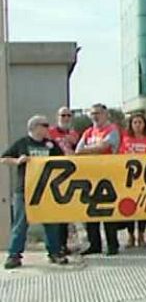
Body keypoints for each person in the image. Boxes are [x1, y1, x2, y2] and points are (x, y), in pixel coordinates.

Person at [2, 115, 69, 269]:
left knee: (51, 222)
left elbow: (62, 161)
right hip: (25, 190)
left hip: (46, 190)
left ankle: (54, 252)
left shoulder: (50, 145)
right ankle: (14, 255)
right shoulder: (22, 143)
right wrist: (18, 161)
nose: (47, 128)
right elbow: (4, 158)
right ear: (35, 127)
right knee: (20, 223)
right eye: (44, 125)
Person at [75, 103, 122, 256]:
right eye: (93, 113)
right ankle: (94, 244)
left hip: (108, 174)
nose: (95, 116)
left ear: (105, 114)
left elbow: (104, 146)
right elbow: (77, 150)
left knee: (108, 211)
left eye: (98, 113)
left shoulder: (112, 129)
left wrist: (87, 150)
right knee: (91, 211)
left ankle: (112, 245)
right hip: (90, 175)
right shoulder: (88, 132)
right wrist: (91, 149)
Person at [119, 113, 146, 248]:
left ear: (144, 124)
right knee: (129, 208)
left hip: (145, 180)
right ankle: (130, 236)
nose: (137, 125)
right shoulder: (125, 139)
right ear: (131, 125)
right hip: (128, 180)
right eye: (135, 122)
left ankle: (141, 235)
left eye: (140, 122)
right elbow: (120, 156)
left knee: (143, 208)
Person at [48, 106, 79, 255]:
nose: (66, 118)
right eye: (63, 115)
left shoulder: (74, 134)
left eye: (68, 115)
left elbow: (80, 151)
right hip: (54, 174)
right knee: (55, 214)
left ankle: (64, 244)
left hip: (70, 174)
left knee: (66, 213)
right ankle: (55, 246)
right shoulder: (50, 133)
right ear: (57, 117)